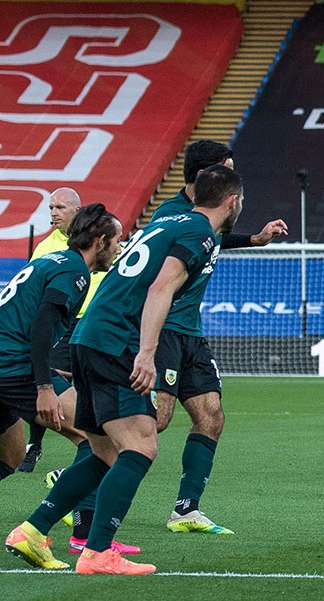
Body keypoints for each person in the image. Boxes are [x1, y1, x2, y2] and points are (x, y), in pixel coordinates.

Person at [4, 165, 245, 575]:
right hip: (113, 342)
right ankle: (97, 552)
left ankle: (34, 529)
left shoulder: (170, 221)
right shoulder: (200, 234)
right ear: (233, 201)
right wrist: (147, 353)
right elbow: (160, 288)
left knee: (103, 449)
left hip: (88, 338)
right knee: (141, 445)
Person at [150, 139, 287, 535]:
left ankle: (186, 509)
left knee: (210, 416)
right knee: (155, 421)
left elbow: (210, 239)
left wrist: (253, 240)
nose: (234, 180)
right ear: (205, 176)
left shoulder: (203, 218)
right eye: (227, 170)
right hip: (165, 330)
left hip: (190, 332)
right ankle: (79, 466)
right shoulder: (172, 216)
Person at [0, 204, 122, 495]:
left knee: (12, 455)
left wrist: (48, 369)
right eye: (117, 240)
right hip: (12, 366)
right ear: (100, 241)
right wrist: (45, 386)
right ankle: (70, 525)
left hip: (10, 361)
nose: (119, 248)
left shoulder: (55, 260)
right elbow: (41, 323)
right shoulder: (74, 271)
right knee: (99, 440)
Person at [17, 187, 84, 473]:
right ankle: (35, 444)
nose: (54, 213)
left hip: (93, 323)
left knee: (89, 389)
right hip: (59, 326)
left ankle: (88, 450)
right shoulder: (45, 248)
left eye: (60, 208)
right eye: (51, 208)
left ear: (77, 211)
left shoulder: (99, 241)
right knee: (45, 383)